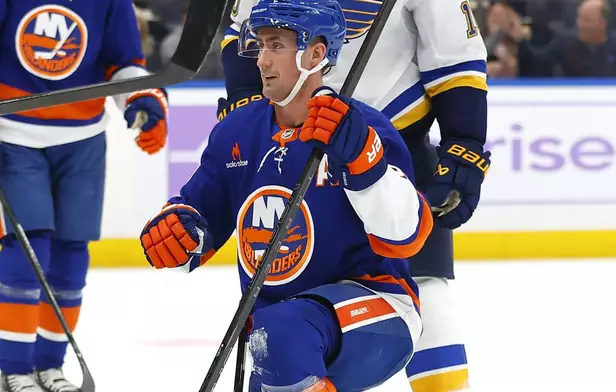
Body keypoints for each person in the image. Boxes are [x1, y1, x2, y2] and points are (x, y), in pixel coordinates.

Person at [139, 0, 433, 390]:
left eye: (276, 45)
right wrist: (179, 235)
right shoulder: (238, 131)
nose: (261, 61)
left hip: (376, 310)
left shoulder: (362, 127)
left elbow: (405, 235)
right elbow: (199, 212)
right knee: (278, 342)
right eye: (260, 45)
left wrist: (365, 164)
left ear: (316, 53)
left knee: (282, 335)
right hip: (275, 329)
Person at [219, 0, 491, 390]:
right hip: (293, 142)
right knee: (288, 309)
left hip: (392, 146)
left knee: (426, 288)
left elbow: (454, 57)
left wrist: (463, 140)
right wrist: (249, 107)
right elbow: (243, 33)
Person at [0, 0, 168, 391]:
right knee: (27, 250)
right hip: (13, 137)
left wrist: (141, 100)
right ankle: (12, 368)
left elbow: (123, 61)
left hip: (83, 141)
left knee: (72, 257)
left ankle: (49, 366)